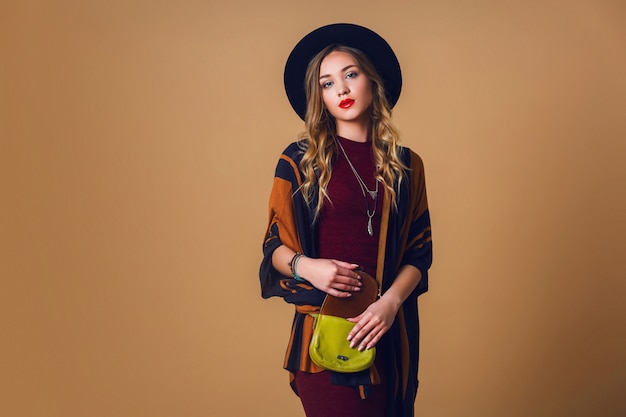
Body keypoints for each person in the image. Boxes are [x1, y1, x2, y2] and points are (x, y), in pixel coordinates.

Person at [260, 23, 433, 417]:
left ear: (372, 81)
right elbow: (273, 247)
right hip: (324, 336)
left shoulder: (408, 165)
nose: (341, 89)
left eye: (350, 75)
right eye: (327, 83)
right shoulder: (299, 160)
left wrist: (389, 304)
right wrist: (309, 268)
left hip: (386, 335)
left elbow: (419, 252)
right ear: (318, 97)